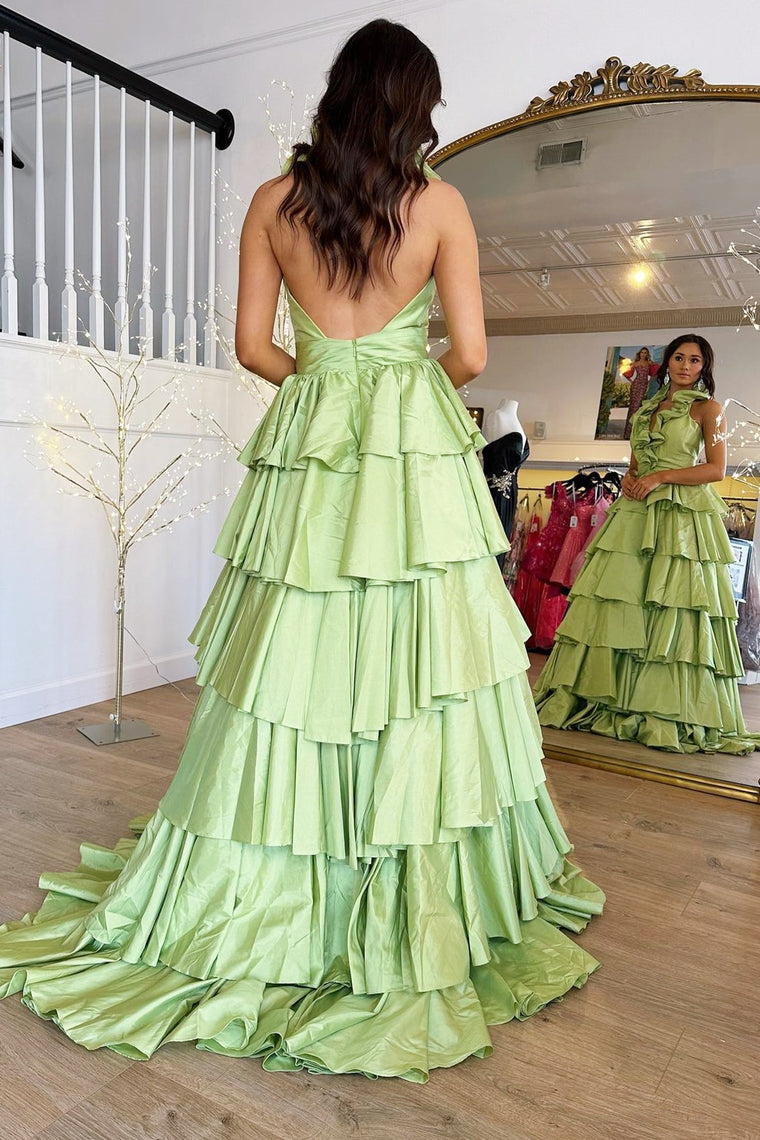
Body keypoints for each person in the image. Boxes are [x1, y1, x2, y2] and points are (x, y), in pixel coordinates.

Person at [0, 20, 603, 1082]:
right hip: (411, 451)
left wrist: (328, 382)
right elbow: (468, 352)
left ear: (338, 93)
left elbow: (250, 347)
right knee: (423, 657)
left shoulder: (273, 202)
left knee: (294, 647)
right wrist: (395, 394)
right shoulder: (440, 205)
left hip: (312, 438)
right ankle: (402, 861)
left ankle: (272, 869)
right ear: (413, 104)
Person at [535, 334, 759, 755]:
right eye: (679, 357)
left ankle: (661, 707)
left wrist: (660, 477)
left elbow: (715, 469)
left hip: (680, 516)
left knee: (672, 605)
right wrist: (632, 478)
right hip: (635, 512)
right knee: (622, 602)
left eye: (695, 360)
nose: (685, 366)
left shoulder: (709, 410)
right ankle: (610, 699)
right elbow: (637, 463)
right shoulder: (644, 410)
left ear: (704, 367)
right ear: (666, 362)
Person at [622, 347, 660, 439]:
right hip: (636, 385)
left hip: (643, 386)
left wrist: (649, 380)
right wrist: (631, 382)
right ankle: (628, 433)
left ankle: (634, 432)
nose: (643, 354)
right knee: (633, 406)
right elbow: (626, 372)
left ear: (647, 354)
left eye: (645, 352)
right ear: (640, 354)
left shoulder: (649, 363)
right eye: (642, 352)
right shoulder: (635, 363)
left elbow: (656, 370)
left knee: (638, 406)